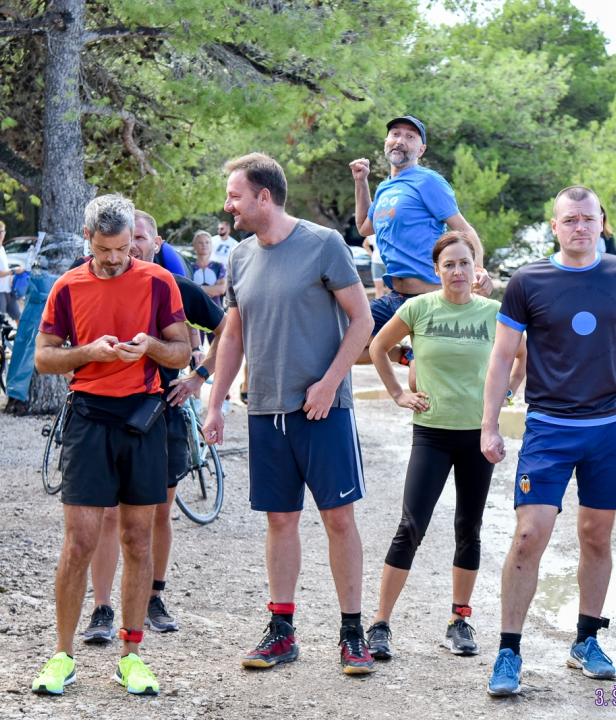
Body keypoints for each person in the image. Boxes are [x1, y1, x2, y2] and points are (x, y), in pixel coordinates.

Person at [481, 185, 616, 696]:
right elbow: (502, 356)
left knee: (596, 537)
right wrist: (489, 424)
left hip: (609, 426)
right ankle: (509, 651)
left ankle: (586, 640)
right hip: (549, 427)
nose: (580, 227)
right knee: (528, 535)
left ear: (601, 221)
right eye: (570, 219)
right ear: (555, 226)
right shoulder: (528, 279)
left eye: (588, 218)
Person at [201, 152, 377, 675]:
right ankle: (282, 632)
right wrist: (215, 402)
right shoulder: (239, 257)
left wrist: (329, 384)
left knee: (338, 519)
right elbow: (233, 336)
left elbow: (362, 320)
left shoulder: (323, 243)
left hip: (323, 410)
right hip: (265, 410)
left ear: (264, 196)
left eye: (235, 196)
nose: (228, 205)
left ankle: (353, 633)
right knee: (280, 520)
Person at [30, 194, 191, 697]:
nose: (116, 258)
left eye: (123, 248)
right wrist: (88, 353)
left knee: (138, 539)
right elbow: (43, 358)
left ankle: (132, 656)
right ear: (88, 239)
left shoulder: (159, 280)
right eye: (104, 249)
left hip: (143, 420)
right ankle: (62, 655)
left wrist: (151, 347)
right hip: (88, 419)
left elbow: (182, 350)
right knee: (79, 540)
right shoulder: (67, 285)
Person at [365, 231, 526, 660]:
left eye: (464, 263)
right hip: (432, 434)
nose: (457, 271)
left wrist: (507, 393)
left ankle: (459, 620)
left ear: (476, 268)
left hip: (478, 435)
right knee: (410, 527)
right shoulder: (418, 308)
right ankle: (380, 624)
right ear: (436, 270)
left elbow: (522, 356)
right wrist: (399, 394)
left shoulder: (494, 312)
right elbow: (378, 347)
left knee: (468, 529)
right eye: (449, 264)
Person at [80, 209, 227, 643]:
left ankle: (154, 596)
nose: (134, 247)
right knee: (108, 513)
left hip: (162, 411)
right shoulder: (92, 282)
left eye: (141, 239)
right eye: (131, 239)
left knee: (159, 511)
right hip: (105, 411)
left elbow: (230, 329)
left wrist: (199, 378)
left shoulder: (174, 286)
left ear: (156, 243)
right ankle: (102, 608)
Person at [350, 115, 492, 366]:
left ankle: (415, 361)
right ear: (386, 141)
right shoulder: (384, 188)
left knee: (420, 382)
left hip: (428, 299)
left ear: (421, 149)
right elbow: (363, 227)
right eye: (395, 134)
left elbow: (465, 230)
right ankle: (403, 355)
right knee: (342, 346)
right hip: (395, 298)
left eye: (410, 137)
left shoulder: (427, 180)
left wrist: (478, 270)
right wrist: (361, 181)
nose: (400, 141)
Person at [0, 220, 23, 322]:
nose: (1, 234)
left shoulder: (1, 249)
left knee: (18, 317)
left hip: (7, 290)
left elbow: (4, 269)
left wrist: (11, 279)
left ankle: (19, 334)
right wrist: (13, 271)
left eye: (2, 231)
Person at [190, 230, 226, 307]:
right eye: (200, 243)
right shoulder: (189, 268)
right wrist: (212, 290)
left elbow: (221, 289)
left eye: (207, 242)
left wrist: (197, 288)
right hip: (194, 311)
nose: (204, 245)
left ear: (211, 246)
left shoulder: (219, 266)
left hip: (216, 311)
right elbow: (187, 290)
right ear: (194, 246)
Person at [363, 234, 387, 299]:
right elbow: (365, 244)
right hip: (376, 262)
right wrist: (372, 255)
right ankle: (380, 305)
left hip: (388, 262)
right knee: (379, 289)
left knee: (391, 289)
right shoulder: (372, 234)